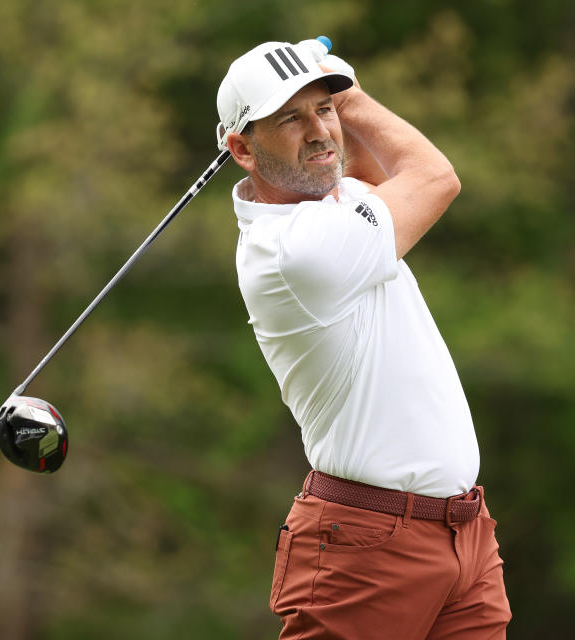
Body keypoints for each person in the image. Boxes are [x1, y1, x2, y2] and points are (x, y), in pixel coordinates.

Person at [215, 40, 511, 640]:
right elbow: (434, 177)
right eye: (290, 118)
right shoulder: (295, 253)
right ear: (242, 148)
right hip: (366, 546)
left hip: (465, 535)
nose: (319, 130)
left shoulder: (330, 204)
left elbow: (371, 179)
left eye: (322, 109)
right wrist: (349, 94)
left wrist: (326, 101)